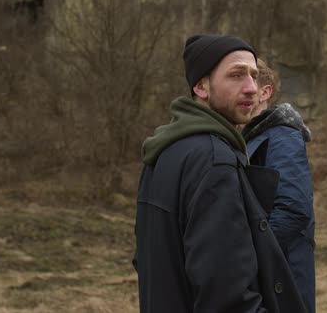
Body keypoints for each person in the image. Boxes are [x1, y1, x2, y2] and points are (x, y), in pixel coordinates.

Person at [133, 35, 307, 313]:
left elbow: (149, 262)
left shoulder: (166, 149)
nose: (251, 88)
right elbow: (228, 297)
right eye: (236, 75)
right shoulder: (214, 161)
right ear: (201, 86)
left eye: (253, 75)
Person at [241, 59, 316, 313]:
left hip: (284, 271)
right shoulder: (251, 136)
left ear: (265, 92)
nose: (245, 91)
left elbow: (294, 210)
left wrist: (248, 252)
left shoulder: (283, 135)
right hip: (268, 270)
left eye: (251, 85)